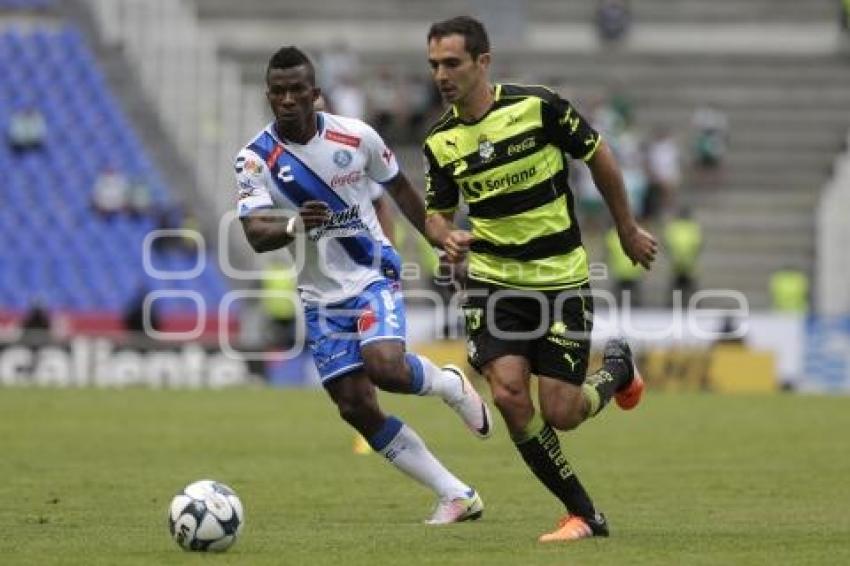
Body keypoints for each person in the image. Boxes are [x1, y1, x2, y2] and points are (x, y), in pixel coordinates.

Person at [421, 16, 657, 542]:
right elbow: (437, 212)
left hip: (561, 281)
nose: (441, 74)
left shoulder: (537, 107)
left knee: (563, 412)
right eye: (435, 64)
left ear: (484, 62)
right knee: (508, 395)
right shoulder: (440, 142)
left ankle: (616, 369)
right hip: (493, 283)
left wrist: (626, 228)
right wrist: (445, 236)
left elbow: (599, 155)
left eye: (452, 63)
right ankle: (584, 515)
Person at [234, 46, 492, 524]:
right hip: (318, 296)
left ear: (316, 94)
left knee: (386, 367)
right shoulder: (254, 159)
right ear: (268, 95)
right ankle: (455, 494)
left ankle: (449, 385)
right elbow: (254, 233)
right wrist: (294, 226)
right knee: (355, 406)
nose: (287, 100)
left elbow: (400, 190)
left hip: (371, 273)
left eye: (296, 91)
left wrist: (439, 242)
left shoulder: (356, 137)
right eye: (278, 91)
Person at [664, 208, 702, 305]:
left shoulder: (673, 227)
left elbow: (667, 243)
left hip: (676, 262)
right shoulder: (693, 227)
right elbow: (698, 245)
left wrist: (673, 256)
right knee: (688, 285)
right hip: (688, 262)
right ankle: (694, 304)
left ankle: (672, 305)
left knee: (677, 285)